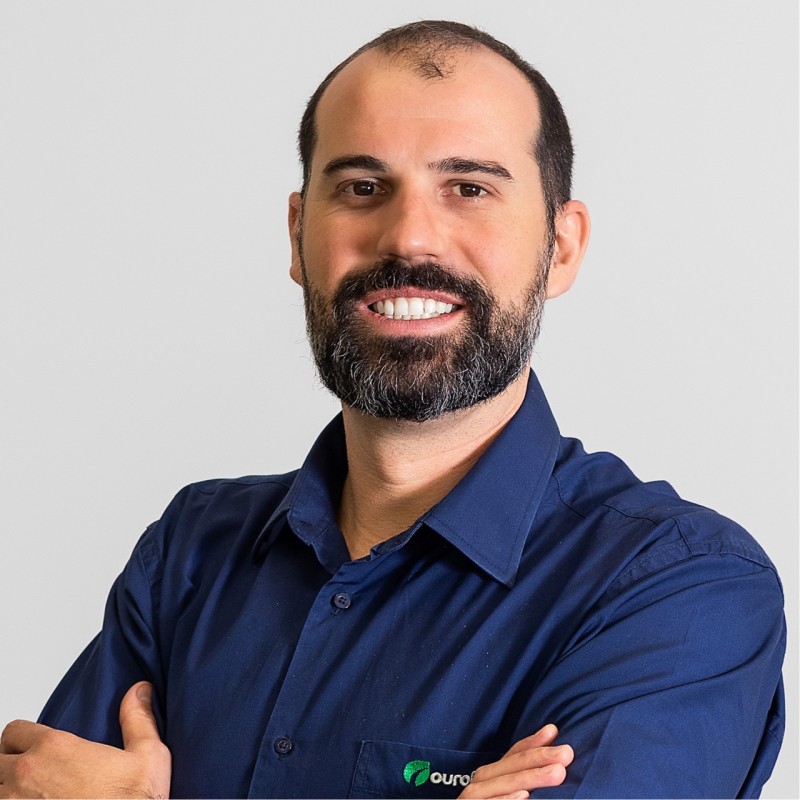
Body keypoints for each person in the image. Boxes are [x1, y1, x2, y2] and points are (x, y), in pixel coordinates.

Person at [0, 19, 785, 800]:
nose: (409, 238)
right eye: (362, 188)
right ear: (298, 234)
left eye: (469, 188)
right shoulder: (192, 554)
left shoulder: (681, 590)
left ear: (562, 246)